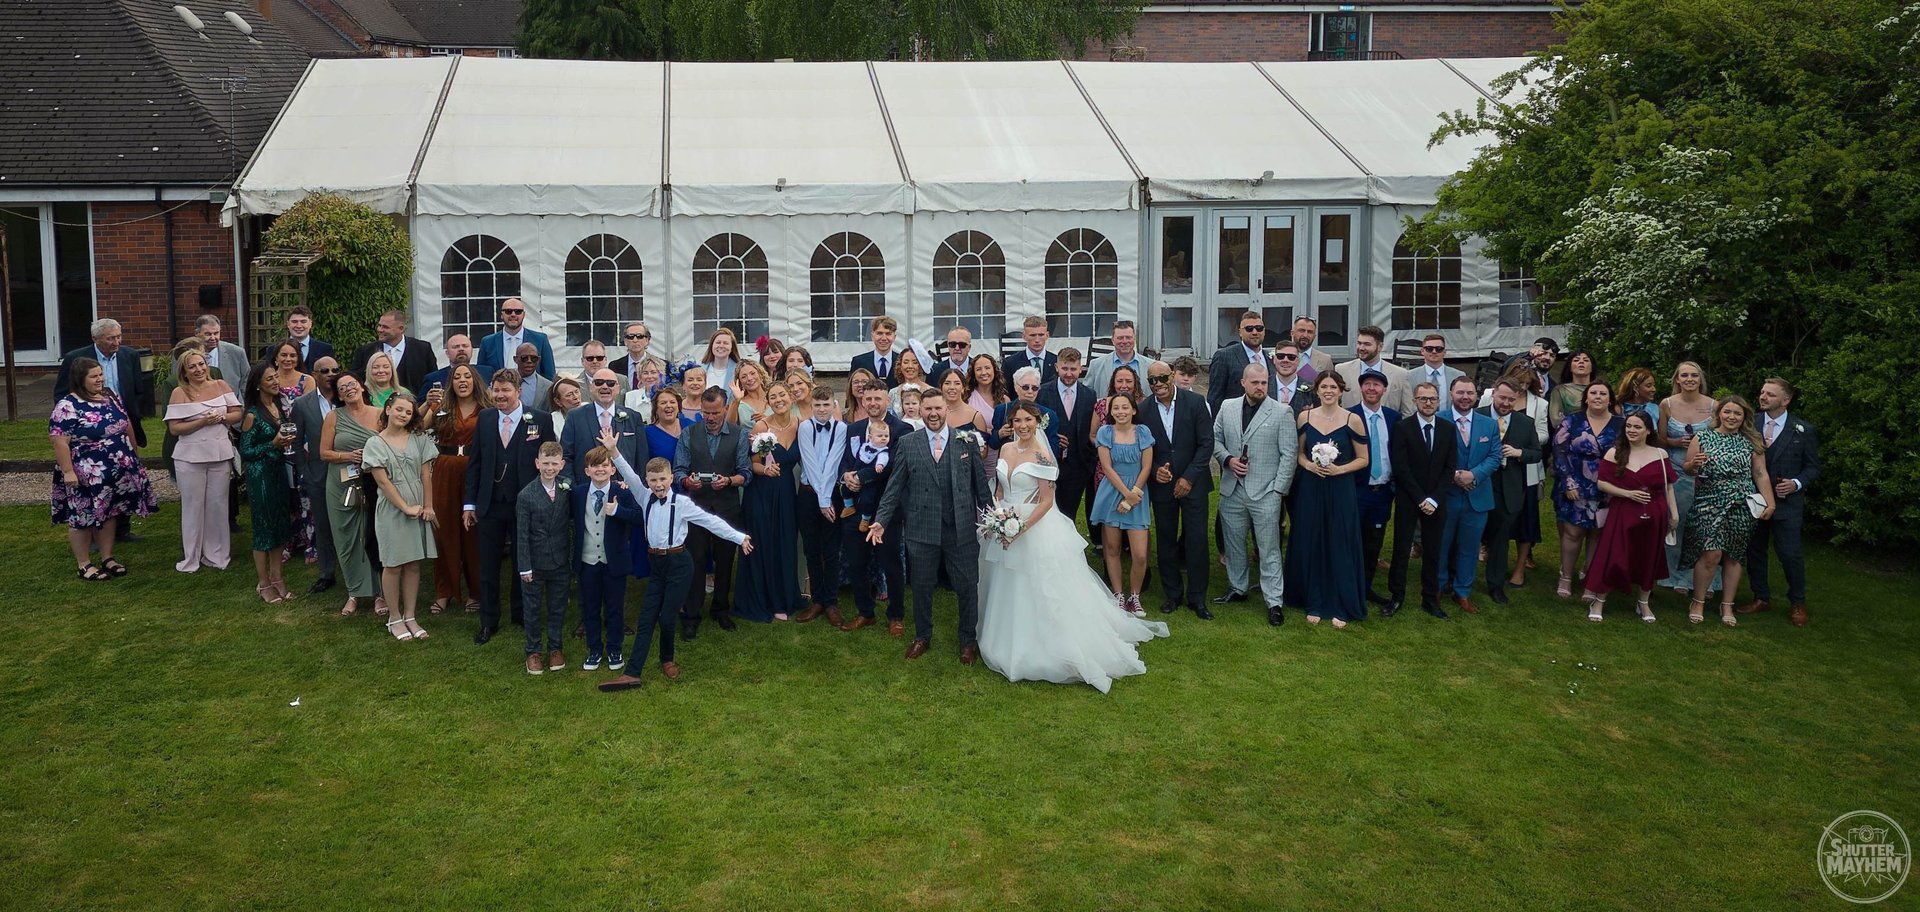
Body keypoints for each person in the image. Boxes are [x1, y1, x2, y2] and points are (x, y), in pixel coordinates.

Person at [976, 402, 1169, 692]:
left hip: (1034, 527)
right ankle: (1007, 636)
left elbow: (1045, 502)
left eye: (1028, 420)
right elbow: (1001, 489)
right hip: (1005, 523)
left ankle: (1047, 644)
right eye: (1017, 420)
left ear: (1037, 422)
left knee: (1043, 586)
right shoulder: (1005, 450)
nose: (1022, 425)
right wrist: (998, 517)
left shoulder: (1042, 455)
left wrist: (1021, 528)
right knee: (1007, 582)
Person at [598, 457, 754, 692]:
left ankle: (667, 658)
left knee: (667, 617)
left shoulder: (682, 503)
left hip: (679, 565)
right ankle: (632, 673)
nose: (658, 484)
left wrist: (739, 537)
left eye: (663, 479)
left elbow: (711, 522)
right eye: (653, 480)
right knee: (647, 617)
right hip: (656, 564)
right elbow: (628, 472)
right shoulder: (643, 497)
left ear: (671, 478)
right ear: (647, 481)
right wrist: (612, 450)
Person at [868, 394, 996, 664]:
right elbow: (894, 486)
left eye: (938, 407)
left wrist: (993, 519)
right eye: (928, 408)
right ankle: (922, 636)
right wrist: (881, 519)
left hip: (960, 527)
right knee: (923, 586)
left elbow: (980, 486)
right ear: (921, 411)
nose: (933, 413)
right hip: (922, 528)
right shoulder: (908, 442)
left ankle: (967, 640)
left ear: (946, 409)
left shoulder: (967, 440)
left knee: (966, 586)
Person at [464, 368, 559, 644]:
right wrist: (469, 504)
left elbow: (550, 460)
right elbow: (475, 464)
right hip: (491, 503)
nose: (500, 395)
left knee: (523, 562)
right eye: (496, 389)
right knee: (488, 565)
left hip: (526, 504)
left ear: (518, 391)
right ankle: (488, 620)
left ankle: (521, 614)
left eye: (506, 390)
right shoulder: (485, 418)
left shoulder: (540, 420)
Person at [50, 357, 158, 579]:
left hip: (118, 467)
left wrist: (134, 455)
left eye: (100, 374)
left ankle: (107, 557)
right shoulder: (67, 406)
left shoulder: (109, 396)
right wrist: (69, 471)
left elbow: (125, 423)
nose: (100, 379)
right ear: (81, 379)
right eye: (94, 376)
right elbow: (59, 440)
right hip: (86, 470)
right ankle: (84, 563)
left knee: (110, 511)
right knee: (83, 515)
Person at [1212, 363, 1298, 624]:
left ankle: (1274, 601)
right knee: (1234, 543)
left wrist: (1278, 490)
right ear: (1243, 383)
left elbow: (1289, 454)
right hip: (1232, 489)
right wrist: (1227, 460)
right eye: (1255, 383)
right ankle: (1238, 588)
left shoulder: (1282, 412)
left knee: (1269, 547)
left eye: (1263, 382)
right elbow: (1214, 439)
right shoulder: (1227, 407)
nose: (1260, 387)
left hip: (1265, 492)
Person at [1285, 372, 1370, 626]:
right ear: (1317, 390)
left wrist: (1339, 469)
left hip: (1340, 488)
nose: (1329, 391)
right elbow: (1298, 453)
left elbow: (1363, 459)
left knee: (1339, 540)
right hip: (1311, 487)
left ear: (1341, 391)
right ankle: (1313, 598)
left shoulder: (1352, 420)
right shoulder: (1305, 417)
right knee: (1311, 538)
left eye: (1334, 387)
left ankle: (1340, 603)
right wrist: (1309, 466)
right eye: (1324, 386)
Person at [1682, 395, 1776, 627]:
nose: (1732, 417)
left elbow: (1760, 474)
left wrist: (1770, 502)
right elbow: (1688, 468)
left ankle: (1727, 605)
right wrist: (1694, 465)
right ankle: (1698, 601)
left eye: (1737, 413)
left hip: (1741, 504)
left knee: (1734, 555)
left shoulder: (1751, 443)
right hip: (1709, 501)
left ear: (1744, 418)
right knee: (1710, 554)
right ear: (1719, 414)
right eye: (1728, 412)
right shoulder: (1703, 437)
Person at [1579, 412, 1677, 622]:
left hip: (1655, 513)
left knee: (1649, 556)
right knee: (1615, 555)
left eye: (1637, 427)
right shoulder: (1615, 453)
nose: (1632, 430)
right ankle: (1600, 600)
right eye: (1629, 426)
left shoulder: (1661, 454)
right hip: (1623, 512)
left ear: (1648, 430)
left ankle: (1643, 602)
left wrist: (1674, 514)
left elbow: (1668, 486)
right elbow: (1602, 483)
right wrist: (1628, 494)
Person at [1739, 378, 1820, 626]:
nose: (1763, 397)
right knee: (1755, 551)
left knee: (1789, 554)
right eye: (1762, 392)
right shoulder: (1750, 424)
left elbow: (1813, 467)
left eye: (1770, 394)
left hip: (1787, 504)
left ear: (1786, 400)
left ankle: (1797, 601)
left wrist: (1796, 483)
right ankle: (1761, 597)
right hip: (1756, 500)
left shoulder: (1803, 429)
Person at [673, 387, 750, 637]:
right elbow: (679, 470)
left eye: (715, 412)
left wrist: (728, 481)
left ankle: (720, 609)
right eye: (706, 413)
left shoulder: (738, 435)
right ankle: (692, 613)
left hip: (727, 508)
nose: (710, 417)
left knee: (725, 561)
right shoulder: (689, 433)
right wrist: (687, 482)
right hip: (696, 508)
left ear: (725, 409)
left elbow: (745, 473)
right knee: (695, 561)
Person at [1141, 361, 1213, 617]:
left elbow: (1206, 444)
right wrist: (1155, 469)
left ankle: (1197, 598)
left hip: (1193, 483)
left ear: (1172, 376)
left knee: (1196, 541)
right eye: (1152, 381)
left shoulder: (1195, 403)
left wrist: (1189, 477)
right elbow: (1143, 448)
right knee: (1166, 540)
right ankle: (1172, 594)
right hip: (1162, 486)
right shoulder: (1143, 409)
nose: (1158, 384)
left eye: (1162, 378)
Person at [364, 391, 438, 641]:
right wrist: (406, 507)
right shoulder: (375, 443)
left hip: (418, 506)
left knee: (414, 563)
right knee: (393, 564)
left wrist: (428, 506)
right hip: (393, 510)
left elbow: (426, 474)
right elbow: (383, 483)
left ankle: (410, 615)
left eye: (408, 412)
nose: (404, 415)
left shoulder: (419, 438)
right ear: (387, 410)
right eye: (399, 409)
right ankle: (394, 617)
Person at [842, 384, 913, 634]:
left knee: (891, 563)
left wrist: (861, 476)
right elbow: (845, 460)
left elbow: (894, 464)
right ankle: (865, 612)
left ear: (887, 400)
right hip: (856, 507)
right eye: (868, 397)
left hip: (887, 508)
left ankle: (896, 616)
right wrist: (847, 477)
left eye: (877, 398)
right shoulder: (854, 429)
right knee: (856, 562)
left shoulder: (902, 429)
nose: (872, 402)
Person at [165, 347, 242, 573]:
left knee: (218, 504)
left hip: (219, 452)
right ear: (184, 371)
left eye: (201, 364)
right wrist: (202, 422)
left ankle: (217, 555)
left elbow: (237, 412)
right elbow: (175, 428)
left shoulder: (220, 385)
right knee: (193, 506)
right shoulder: (180, 392)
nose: (198, 370)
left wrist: (223, 417)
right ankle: (192, 556)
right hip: (190, 457)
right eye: (192, 367)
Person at [734, 382, 803, 623]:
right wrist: (765, 470)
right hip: (761, 493)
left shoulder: (800, 424)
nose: (778, 399)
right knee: (764, 544)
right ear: (768, 402)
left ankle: (784, 597)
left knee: (784, 543)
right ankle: (765, 600)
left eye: (782, 394)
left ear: (790, 397)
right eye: (773, 397)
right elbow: (752, 463)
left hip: (786, 494)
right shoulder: (762, 426)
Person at [1387, 381, 1456, 618]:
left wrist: (1434, 499)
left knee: (1433, 550)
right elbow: (1401, 467)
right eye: (1423, 398)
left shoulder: (1448, 429)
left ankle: (1430, 599)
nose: (1428, 403)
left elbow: (1450, 468)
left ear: (1439, 401)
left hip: (1436, 501)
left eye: (1432, 399)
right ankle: (1396, 596)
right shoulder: (1403, 428)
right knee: (1401, 548)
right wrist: (1419, 498)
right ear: (1415, 401)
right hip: (1409, 498)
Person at [571, 444, 643, 670]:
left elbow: (640, 517)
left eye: (605, 465)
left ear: (613, 470)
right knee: (590, 609)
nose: (600, 470)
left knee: (615, 608)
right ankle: (594, 650)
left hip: (614, 562)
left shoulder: (622, 491)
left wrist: (618, 511)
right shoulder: (578, 493)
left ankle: (614, 649)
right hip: (587, 560)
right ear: (587, 471)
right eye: (595, 466)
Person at [1436, 376, 1502, 615]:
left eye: (1470, 393)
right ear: (1451, 394)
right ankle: (1438, 586)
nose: (1465, 397)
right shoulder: (1439, 419)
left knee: (1469, 547)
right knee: (1441, 544)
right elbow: (1432, 454)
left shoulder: (1488, 425)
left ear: (1476, 396)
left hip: (1477, 496)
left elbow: (1495, 457)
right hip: (1447, 495)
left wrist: (1473, 475)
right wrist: (1453, 475)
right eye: (1460, 392)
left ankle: (1462, 591)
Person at [1551, 381, 1623, 598]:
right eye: (1593, 393)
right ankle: (1566, 575)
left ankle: (1591, 574)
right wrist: (1568, 482)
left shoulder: (1622, 424)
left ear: (1610, 399)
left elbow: (1627, 454)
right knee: (1573, 531)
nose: (1598, 397)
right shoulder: (1572, 421)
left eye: (1603, 393)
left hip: (1607, 485)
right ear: (1586, 398)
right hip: (1575, 481)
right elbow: (1559, 451)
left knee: (1598, 532)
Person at [1477, 378, 1545, 606]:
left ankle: (1495, 585)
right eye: (1502, 398)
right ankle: (1455, 580)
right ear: (1493, 393)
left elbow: (1537, 453)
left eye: (1511, 400)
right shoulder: (1478, 415)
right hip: (1478, 484)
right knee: (1467, 536)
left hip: (1508, 488)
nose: (1506, 403)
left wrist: (1519, 453)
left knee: (1500, 539)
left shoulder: (1525, 423)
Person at [320, 372, 383, 617]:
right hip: (341, 484)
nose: (348, 388)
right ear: (338, 394)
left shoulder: (379, 414)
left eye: (351, 384)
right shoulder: (333, 417)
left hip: (374, 483)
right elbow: (324, 453)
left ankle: (380, 593)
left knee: (374, 535)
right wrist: (348, 456)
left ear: (361, 386)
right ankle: (354, 592)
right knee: (346, 538)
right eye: (342, 387)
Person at [237, 362, 300, 603]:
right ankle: (263, 583)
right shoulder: (252, 415)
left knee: (280, 526)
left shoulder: (278, 406)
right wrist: (272, 444)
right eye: (270, 379)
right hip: (260, 476)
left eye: (276, 377)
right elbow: (246, 451)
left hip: (278, 473)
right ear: (258, 385)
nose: (276, 381)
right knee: (264, 529)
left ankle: (278, 578)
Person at [1091, 392, 1156, 616]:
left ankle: (1135, 596)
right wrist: (1124, 495)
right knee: (1112, 548)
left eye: (1125, 407)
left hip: (1137, 493)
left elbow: (1147, 466)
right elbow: (1107, 468)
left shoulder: (1143, 432)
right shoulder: (1105, 432)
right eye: (1116, 408)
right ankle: (1118, 595)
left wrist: (1132, 496)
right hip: (1112, 492)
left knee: (1139, 553)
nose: (1120, 412)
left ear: (1133, 410)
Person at [427, 363, 485, 613]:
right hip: (445, 469)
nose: (462, 380)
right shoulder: (442, 408)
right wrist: (429, 404)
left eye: (467, 376)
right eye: (457, 377)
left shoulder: (487, 408)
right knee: (445, 530)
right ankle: (445, 590)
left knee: (473, 532)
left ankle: (476, 591)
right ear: (451, 382)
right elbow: (419, 427)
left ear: (475, 381)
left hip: (475, 469)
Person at [1658, 361, 1716, 594]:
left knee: (1704, 526)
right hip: (1675, 471)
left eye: (1694, 375)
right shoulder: (1667, 404)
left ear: (1700, 379)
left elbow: (1722, 435)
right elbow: (1660, 438)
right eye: (1684, 375)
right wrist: (1675, 442)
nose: (1690, 379)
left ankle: (1703, 575)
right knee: (1676, 522)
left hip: (1705, 474)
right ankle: (1675, 574)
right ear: (1677, 380)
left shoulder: (1714, 405)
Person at [514, 442, 571, 673]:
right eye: (545, 463)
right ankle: (533, 650)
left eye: (554, 464)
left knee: (557, 607)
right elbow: (522, 534)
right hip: (535, 562)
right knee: (532, 607)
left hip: (560, 560)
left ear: (562, 465)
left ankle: (555, 648)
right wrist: (525, 567)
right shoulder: (526, 495)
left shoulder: (567, 489)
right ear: (537, 464)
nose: (549, 468)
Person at [795, 386, 849, 627]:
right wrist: (820, 500)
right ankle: (817, 599)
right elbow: (811, 463)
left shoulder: (841, 428)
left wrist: (826, 499)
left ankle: (831, 601)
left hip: (832, 495)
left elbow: (833, 462)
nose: (822, 410)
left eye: (826, 405)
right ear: (812, 406)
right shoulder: (805, 427)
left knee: (831, 549)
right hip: (808, 495)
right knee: (811, 548)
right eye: (817, 405)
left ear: (833, 405)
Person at [1350, 370, 1402, 608]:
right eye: (1367, 384)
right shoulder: (1350, 415)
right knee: (1352, 540)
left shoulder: (1394, 418)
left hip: (1382, 492)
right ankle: (1348, 586)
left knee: (1374, 543)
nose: (1372, 388)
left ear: (1384, 389)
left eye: (1377, 385)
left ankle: (1365, 588)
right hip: (1356, 490)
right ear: (1361, 388)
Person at [291, 357, 342, 594]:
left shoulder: (348, 398)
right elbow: (297, 441)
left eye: (335, 370)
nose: (331, 374)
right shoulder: (302, 404)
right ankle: (327, 572)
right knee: (323, 525)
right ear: (315, 374)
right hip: (318, 473)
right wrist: (305, 472)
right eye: (325, 370)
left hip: (348, 471)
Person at [1036, 347, 1097, 531]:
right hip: (1050, 462)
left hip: (1078, 464)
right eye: (1065, 369)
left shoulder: (1089, 395)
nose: (1069, 374)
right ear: (1056, 367)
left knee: (1069, 512)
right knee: (1049, 509)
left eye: (1073, 369)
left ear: (1080, 369)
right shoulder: (1043, 392)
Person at [563, 368, 649, 486]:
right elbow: (566, 456)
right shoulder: (574, 417)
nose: (605, 386)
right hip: (586, 490)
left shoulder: (633, 417)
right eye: (599, 382)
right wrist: (574, 488)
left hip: (626, 492)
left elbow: (642, 458)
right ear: (591, 387)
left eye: (610, 383)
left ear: (618, 388)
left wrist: (636, 487)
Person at [351, 310, 437, 394]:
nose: (379, 330)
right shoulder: (365, 351)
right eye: (379, 325)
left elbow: (433, 378)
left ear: (401, 329)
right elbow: (355, 378)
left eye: (385, 327)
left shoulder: (422, 349)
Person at [1207, 310, 1276, 414]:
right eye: (1249, 329)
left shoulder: (1272, 359)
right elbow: (1215, 398)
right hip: (1235, 420)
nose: (1254, 332)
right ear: (1240, 332)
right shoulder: (1224, 356)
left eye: (1259, 328)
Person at [1335, 325, 1412, 414]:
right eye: (1359, 343)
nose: (1361, 348)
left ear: (1380, 346)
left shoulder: (1400, 374)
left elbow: (1407, 413)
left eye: (1367, 344)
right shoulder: (1341, 370)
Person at [991, 368, 1064, 461]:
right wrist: (999, 434)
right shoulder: (1002, 410)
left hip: (1036, 465)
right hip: (1009, 462)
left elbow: (1054, 450)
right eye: (1025, 387)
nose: (1030, 392)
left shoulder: (1049, 414)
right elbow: (993, 443)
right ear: (1016, 387)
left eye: (1034, 388)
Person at [476, 297, 555, 380]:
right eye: (508, 311)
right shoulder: (487, 342)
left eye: (518, 312)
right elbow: (481, 376)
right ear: (502, 315)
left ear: (524, 315)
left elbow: (549, 375)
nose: (513, 314)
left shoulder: (540, 340)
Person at [1085, 321, 1164, 400]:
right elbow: (1086, 396)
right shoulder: (1096, 365)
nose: (1125, 341)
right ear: (1112, 340)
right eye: (1120, 338)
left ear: (1134, 339)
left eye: (1128, 337)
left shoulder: (1151, 365)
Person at [1000, 315, 1057, 397]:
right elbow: (1005, 393)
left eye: (1041, 335)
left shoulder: (1057, 362)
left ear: (1047, 335)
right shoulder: (1010, 363)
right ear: (1024, 336)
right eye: (1032, 335)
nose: (1037, 340)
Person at [1549, 350, 1601, 429]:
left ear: (1592, 367)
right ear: (1570, 367)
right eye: (1576, 360)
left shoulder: (1601, 389)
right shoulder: (1561, 390)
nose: (1581, 362)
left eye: (1586, 360)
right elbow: (1556, 421)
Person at [194, 314, 251, 384]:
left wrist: (240, 395)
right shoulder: (185, 353)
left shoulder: (237, 353)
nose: (213, 338)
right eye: (208, 334)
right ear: (197, 333)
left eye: (216, 333)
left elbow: (246, 380)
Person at [849, 315, 904, 389]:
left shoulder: (902, 361)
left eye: (888, 334)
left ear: (894, 337)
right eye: (879, 333)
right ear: (872, 335)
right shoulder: (858, 362)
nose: (884, 338)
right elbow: (851, 391)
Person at [273, 305, 334, 370]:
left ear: (310, 324)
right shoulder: (272, 350)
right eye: (294, 322)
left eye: (303, 322)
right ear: (288, 324)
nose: (299, 326)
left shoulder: (325, 349)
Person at [1409, 333, 1464, 403]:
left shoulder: (1458, 376)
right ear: (1422, 351)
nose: (1434, 352)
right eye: (1429, 349)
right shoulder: (1410, 376)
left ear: (1444, 352)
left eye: (1439, 349)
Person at [610, 322, 658, 390]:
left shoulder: (660, 365)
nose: (635, 340)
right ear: (625, 341)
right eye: (631, 337)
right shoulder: (614, 366)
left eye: (639, 336)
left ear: (647, 340)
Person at [924, 326, 975, 392]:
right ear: (948, 345)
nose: (957, 348)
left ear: (969, 347)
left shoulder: (976, 369)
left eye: (962, 345)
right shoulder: (935, 371)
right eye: (952, 344)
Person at [1289, 316, 1336, 383]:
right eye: (1301, 331)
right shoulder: (1279, 356)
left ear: (1314, 336)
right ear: (1292, 333)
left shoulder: (1325, 360)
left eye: (1310, 332)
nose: (1305, 335)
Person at [966, 354, 1007, 429]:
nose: (984, 372)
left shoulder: (1004, 399)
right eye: (978, 369)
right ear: (973, 373)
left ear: (994, 370)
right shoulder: (965, 396)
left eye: (987, 368)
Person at [700, 327, 742, 399]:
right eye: (718, 342)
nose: (721, 346)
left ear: (732, 348)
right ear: (711, 345)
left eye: (726, 343)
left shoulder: (739, 371)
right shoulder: (700, 369)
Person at [729, 362, 772, 427]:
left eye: (752, 373)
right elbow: (729, 425)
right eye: (744, 377)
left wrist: (768, 421)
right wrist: (736, 401)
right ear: (740, 382)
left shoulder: (774, 397)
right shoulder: (739, 403)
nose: (749, 378)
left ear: (760, 375)